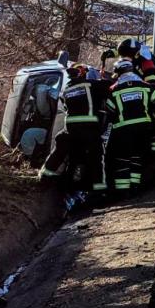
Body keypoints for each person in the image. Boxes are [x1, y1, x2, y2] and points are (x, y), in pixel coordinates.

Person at [40, 65, 111, 207]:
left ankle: (46, 177)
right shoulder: (90, 85)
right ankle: (99, 191)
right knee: (96, 156)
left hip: (70, 128)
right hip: (89, 128)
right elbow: (110, 87)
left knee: (59, 151)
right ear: (83, 74)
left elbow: (66, 108)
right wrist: (107, 77)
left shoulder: (66, 90)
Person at [104, 60, 155, 194]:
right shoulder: (146, 86)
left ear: (118, 73)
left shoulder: (113, 90)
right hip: (144, 128)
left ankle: (122, 191)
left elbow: (110, 111)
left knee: (122, 159)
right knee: (137, 157)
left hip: (123, 130)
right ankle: (135, 187)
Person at [117, 38, 155, 155]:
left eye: (127, 55)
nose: (125, 58)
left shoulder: (146, 60)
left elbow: (151, 84)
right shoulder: (134, 53)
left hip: (154, 93)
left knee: (154, 123)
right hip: (143, 91)